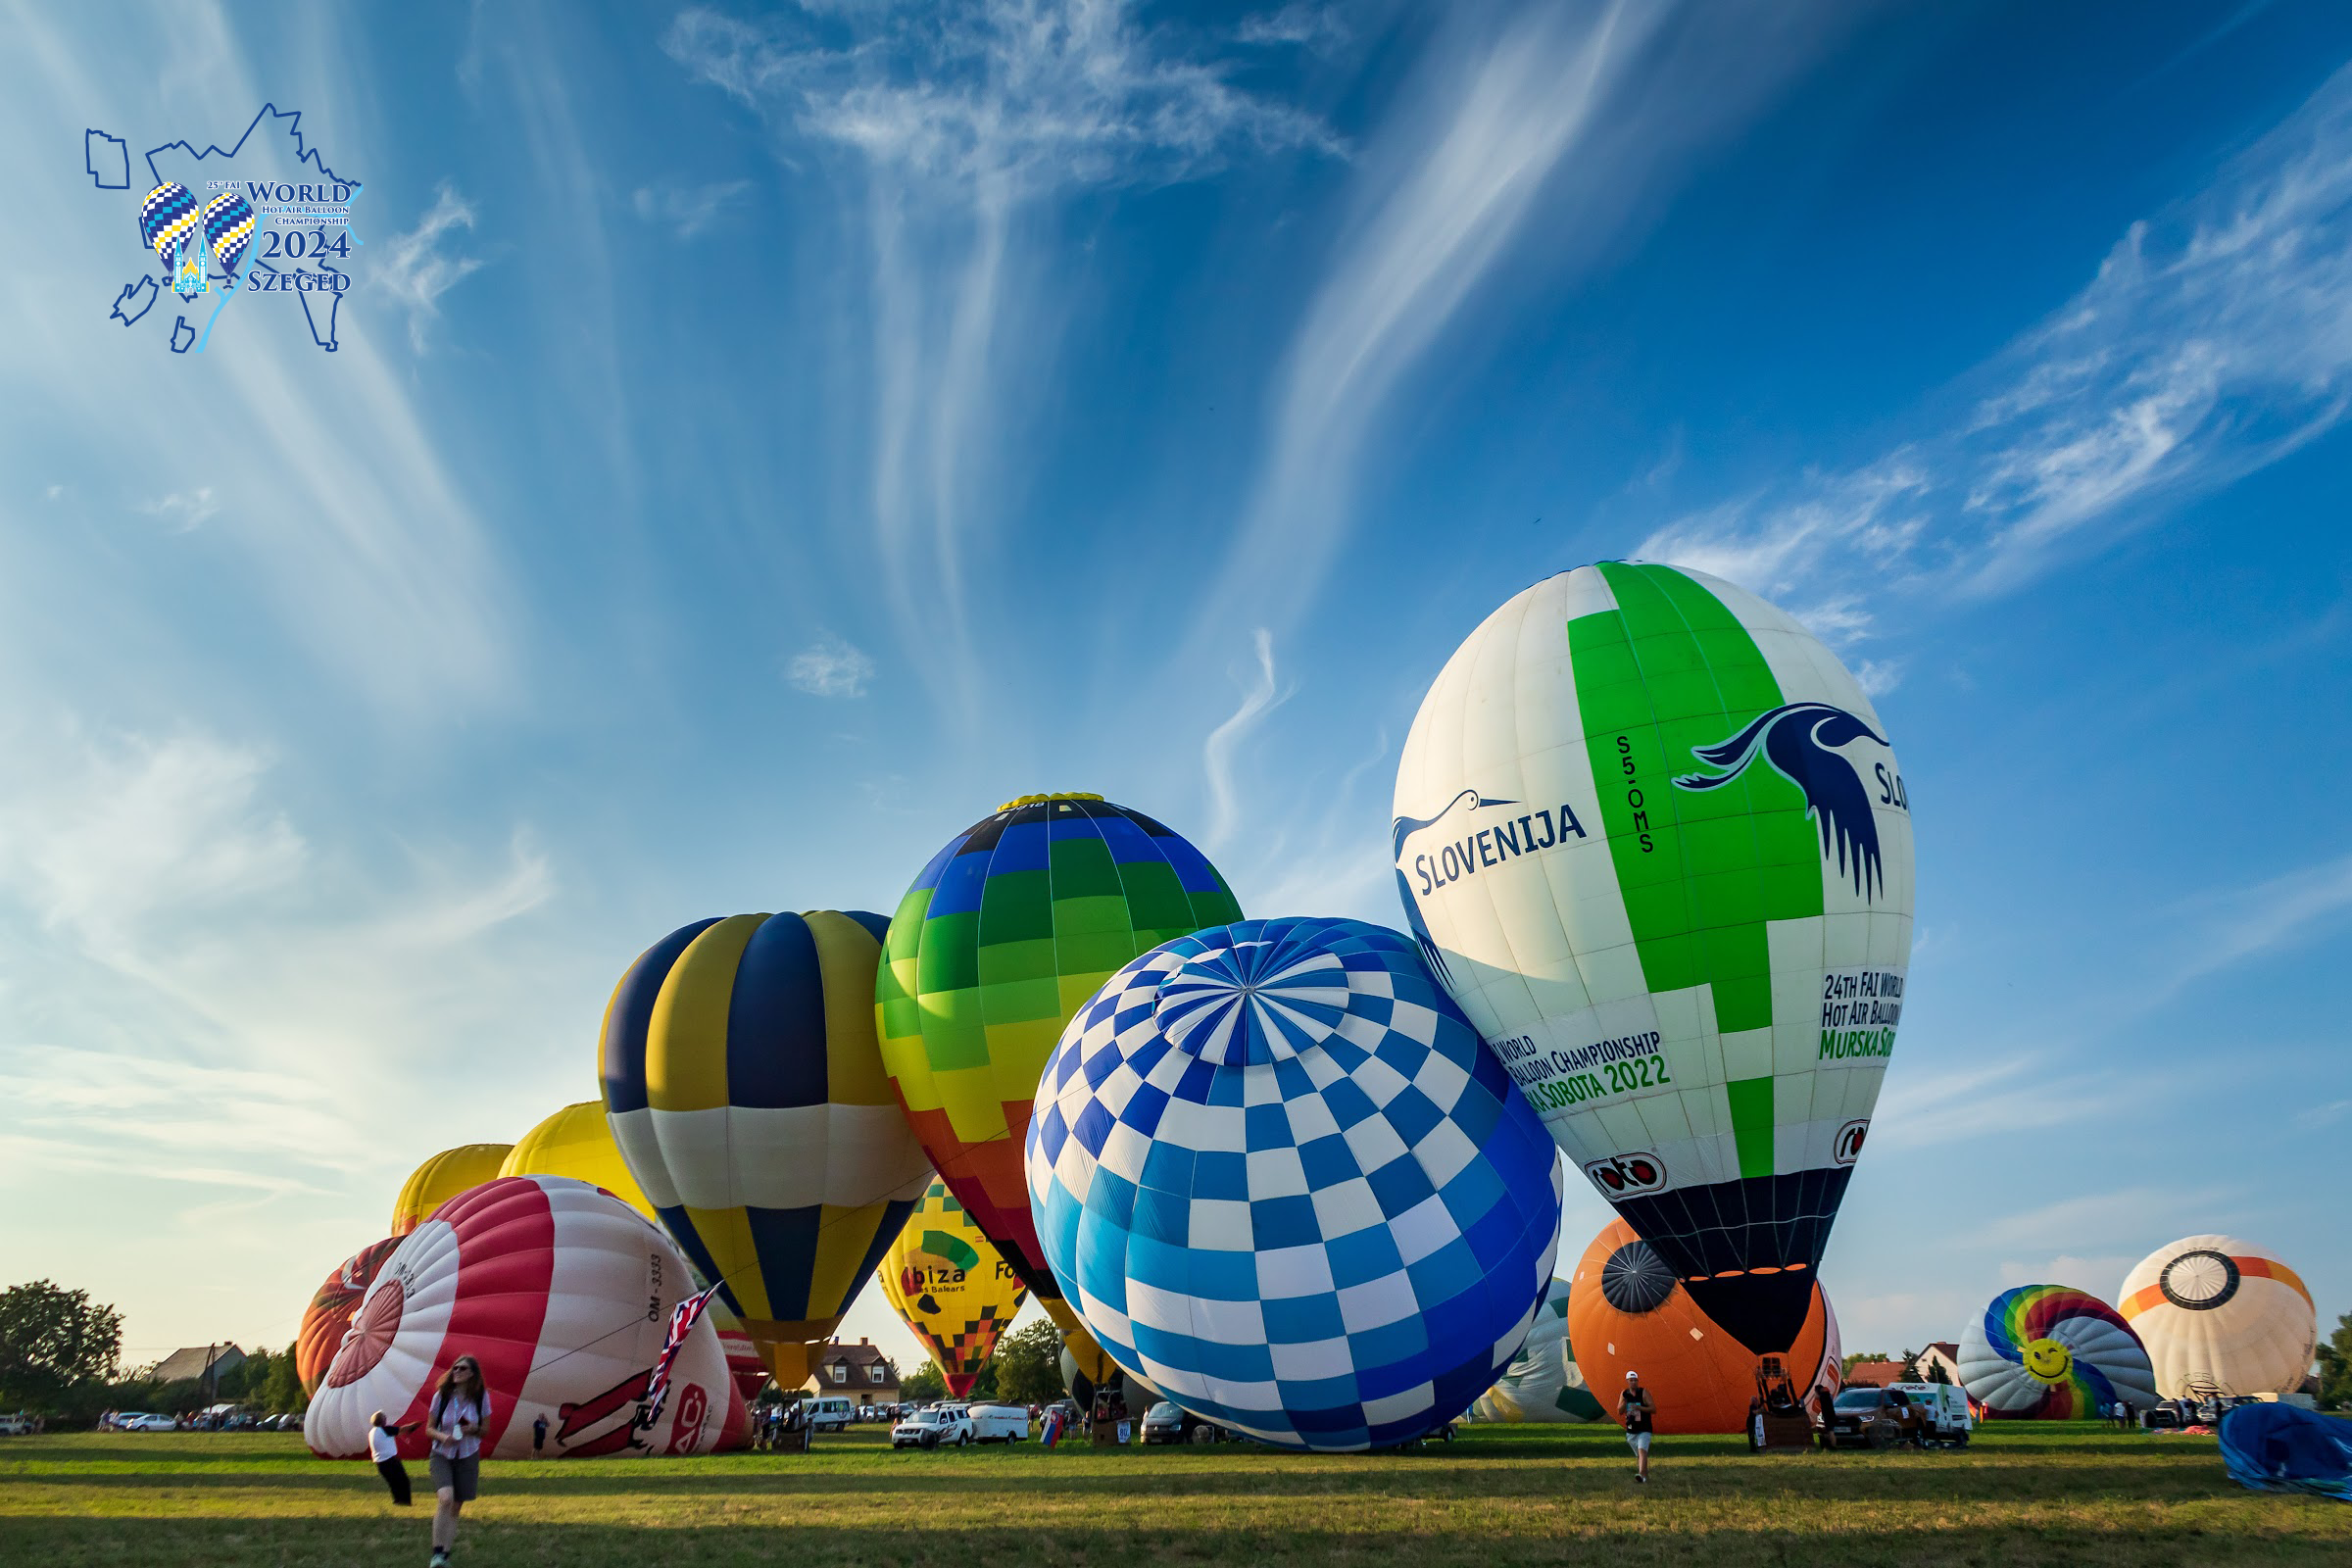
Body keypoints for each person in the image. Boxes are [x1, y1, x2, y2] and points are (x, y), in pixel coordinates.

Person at [424, 1354, 491, 1568]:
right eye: (454, 1368)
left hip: (467, 1454)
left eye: (462, 1369)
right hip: (442, 1453)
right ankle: (436, 1554)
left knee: (456, 1506)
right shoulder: (441, 1396)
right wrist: (444, 1437)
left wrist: (474, 1429)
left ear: (472, 1374)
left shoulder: (481, 1397)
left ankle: (445, 1554)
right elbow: (429, 1428)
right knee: (445, 1498)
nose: (456, 1372)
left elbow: (486, 1431)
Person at [368, 1411, 418, 1506]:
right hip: (390, 1460)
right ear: (382, 1420)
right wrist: (415, 1424)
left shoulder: (372, 1432)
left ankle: (398, 1501)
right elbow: (403, 1429)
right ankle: (405, 1502)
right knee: (403, 1481)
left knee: (393, 1483)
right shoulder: (385, 1429)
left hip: (380, 1463)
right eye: (384, 1418)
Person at [1619, 1370, 1654, 1483]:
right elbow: (1619, 1411)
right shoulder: (1624, 1394)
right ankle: (1645, 1475)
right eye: (1631, 1380)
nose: (1633, 1382)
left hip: (1644, 1428)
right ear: (1627, 1381)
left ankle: (1641, 1475)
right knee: (1639, 1455)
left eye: (1635, 1380)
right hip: (1631, 1429)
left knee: (1642, 1452)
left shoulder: (1643, 1392)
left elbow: (1653, 1409)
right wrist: (1625, 1401)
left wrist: (1639, 1408)